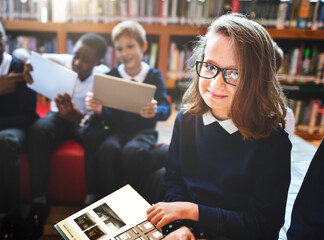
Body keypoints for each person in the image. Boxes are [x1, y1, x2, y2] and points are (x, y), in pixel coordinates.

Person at [146, 13, 292, 240]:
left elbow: (263, 225)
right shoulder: (185, 120)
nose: (215, 83)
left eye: (233, 73)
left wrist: (191, 212)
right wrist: (182, 227)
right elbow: (174, 183)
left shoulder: (273, 143)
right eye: (210, 66)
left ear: (256, 80)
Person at [24, 33, 107, 239]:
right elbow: (23, 53)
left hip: (81, 119)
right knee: (37, 130)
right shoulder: (64, 60)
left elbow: (102, 120)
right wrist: (27, 62)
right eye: (76, 55)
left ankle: (90, 200)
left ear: (98, 62)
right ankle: (38, 201)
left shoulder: (104, 75)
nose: (77, 63)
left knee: (96, 137)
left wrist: (78, 117)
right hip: (57, 116)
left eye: (86, 60)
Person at [84, 20, 171, 203]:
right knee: (107, 149)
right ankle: (109, 200)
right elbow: (110, 115)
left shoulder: (154, 75)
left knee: (133, 151)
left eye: (130, 46)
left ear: (144, 47)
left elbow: (166, 109)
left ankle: (136, 201)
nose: (125, 53)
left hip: (144, 131)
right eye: (120, 49)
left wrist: (155, 110)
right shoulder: (111, 75)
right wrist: (101, 110)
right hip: (116, 130)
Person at [0, 20, 38, 239]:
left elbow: (27, 116)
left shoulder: (20, 68)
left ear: (6, 39)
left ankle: (12, 213)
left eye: (0, 35)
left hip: (14, 129)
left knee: (5, 141)